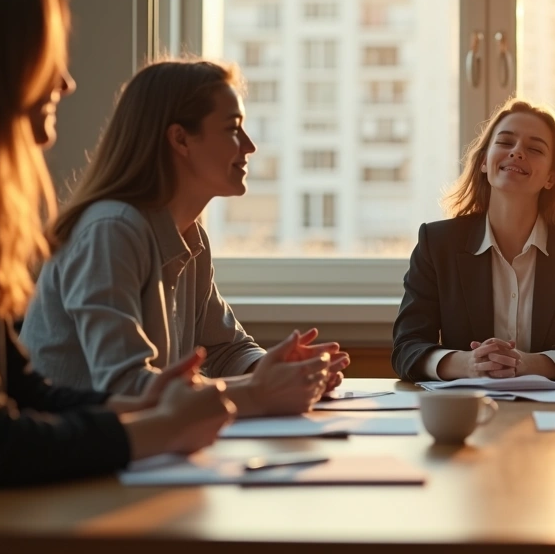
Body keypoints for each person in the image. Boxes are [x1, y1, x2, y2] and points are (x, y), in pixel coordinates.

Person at [0, 0, 235, 515]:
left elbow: (24, 394)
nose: (66, 83)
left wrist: (141, 404)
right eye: (45, 55)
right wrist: (154, 430)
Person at [22, 59, 347, 417]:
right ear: (180, 139)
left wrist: (280, 372)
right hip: (71, 463)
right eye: (233, 129)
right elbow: (125, 386)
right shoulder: (111, 231)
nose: (249, 146)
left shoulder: (192, 239)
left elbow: (228, 350)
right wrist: (260, 389)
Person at [392, 99, 555, 383]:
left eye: (535, 149)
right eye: (505, 142)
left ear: (551, 177)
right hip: (468, 414)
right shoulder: (437, 243)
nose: (517, 152)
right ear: (483, 161)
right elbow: (407, 347)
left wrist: (533, 365)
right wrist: (468, 365)